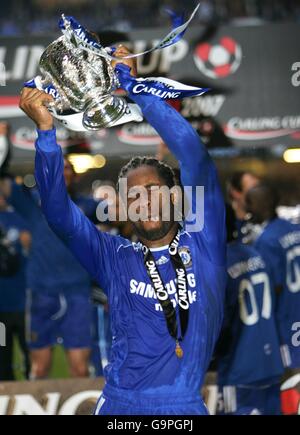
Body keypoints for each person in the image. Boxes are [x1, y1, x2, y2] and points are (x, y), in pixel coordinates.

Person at [19, 46, 227, 415]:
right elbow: (58, 214)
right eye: (133, 195)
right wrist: (46, 134)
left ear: (177, 196)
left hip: (182, 408)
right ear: (125, 206)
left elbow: (194, 156)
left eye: (153, 191)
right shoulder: (115, 256)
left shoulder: (204, 241)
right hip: (120, 407)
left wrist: (135, 87)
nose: (144, 201)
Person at [0, 160, 96, 379]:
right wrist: (4, 153)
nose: (62, 173)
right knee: (39, 370)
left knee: (80, 370)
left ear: (75, 176)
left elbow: (120, 218)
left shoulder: (86, 206)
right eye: (56, 168)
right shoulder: (31, 203)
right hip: (41, 293)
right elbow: (4, 183)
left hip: (76, 293)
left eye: (67, 169)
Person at [216, 205, 284, 415]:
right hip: (271, 363)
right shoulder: (255, 254)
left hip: (240, 369)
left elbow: (221, 326)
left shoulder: (217, 266)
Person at [246, 184, 300, 414]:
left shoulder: (266, 240)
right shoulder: (295, 229)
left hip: (287, 324)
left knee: (291, 388)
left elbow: (273, 287)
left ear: (257, 206)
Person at [0, 190, 31, 380]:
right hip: (1, 308)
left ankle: (35, 397)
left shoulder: (22, 218)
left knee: (31, 354)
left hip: (23, 304)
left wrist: (28, 245)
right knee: (2, 356)